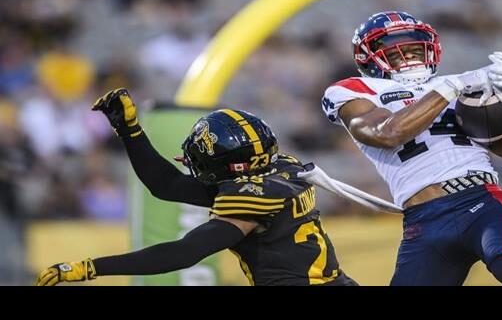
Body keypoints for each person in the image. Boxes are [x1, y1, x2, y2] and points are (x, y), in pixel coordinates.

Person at [321, 11, 502, 286]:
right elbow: (387, 133)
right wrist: (452, 87)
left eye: (414, 49)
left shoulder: (465, 85)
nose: (408, 56)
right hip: (423, 220)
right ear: (368, 57)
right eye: (396, 51)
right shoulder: (355, 90)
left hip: (481, 200)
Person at [36, 88, 358, 286]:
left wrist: (92, 267)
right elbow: (167, 185)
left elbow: (184, 253)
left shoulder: (250, 197)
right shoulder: (282, 168)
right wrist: (131, 132)